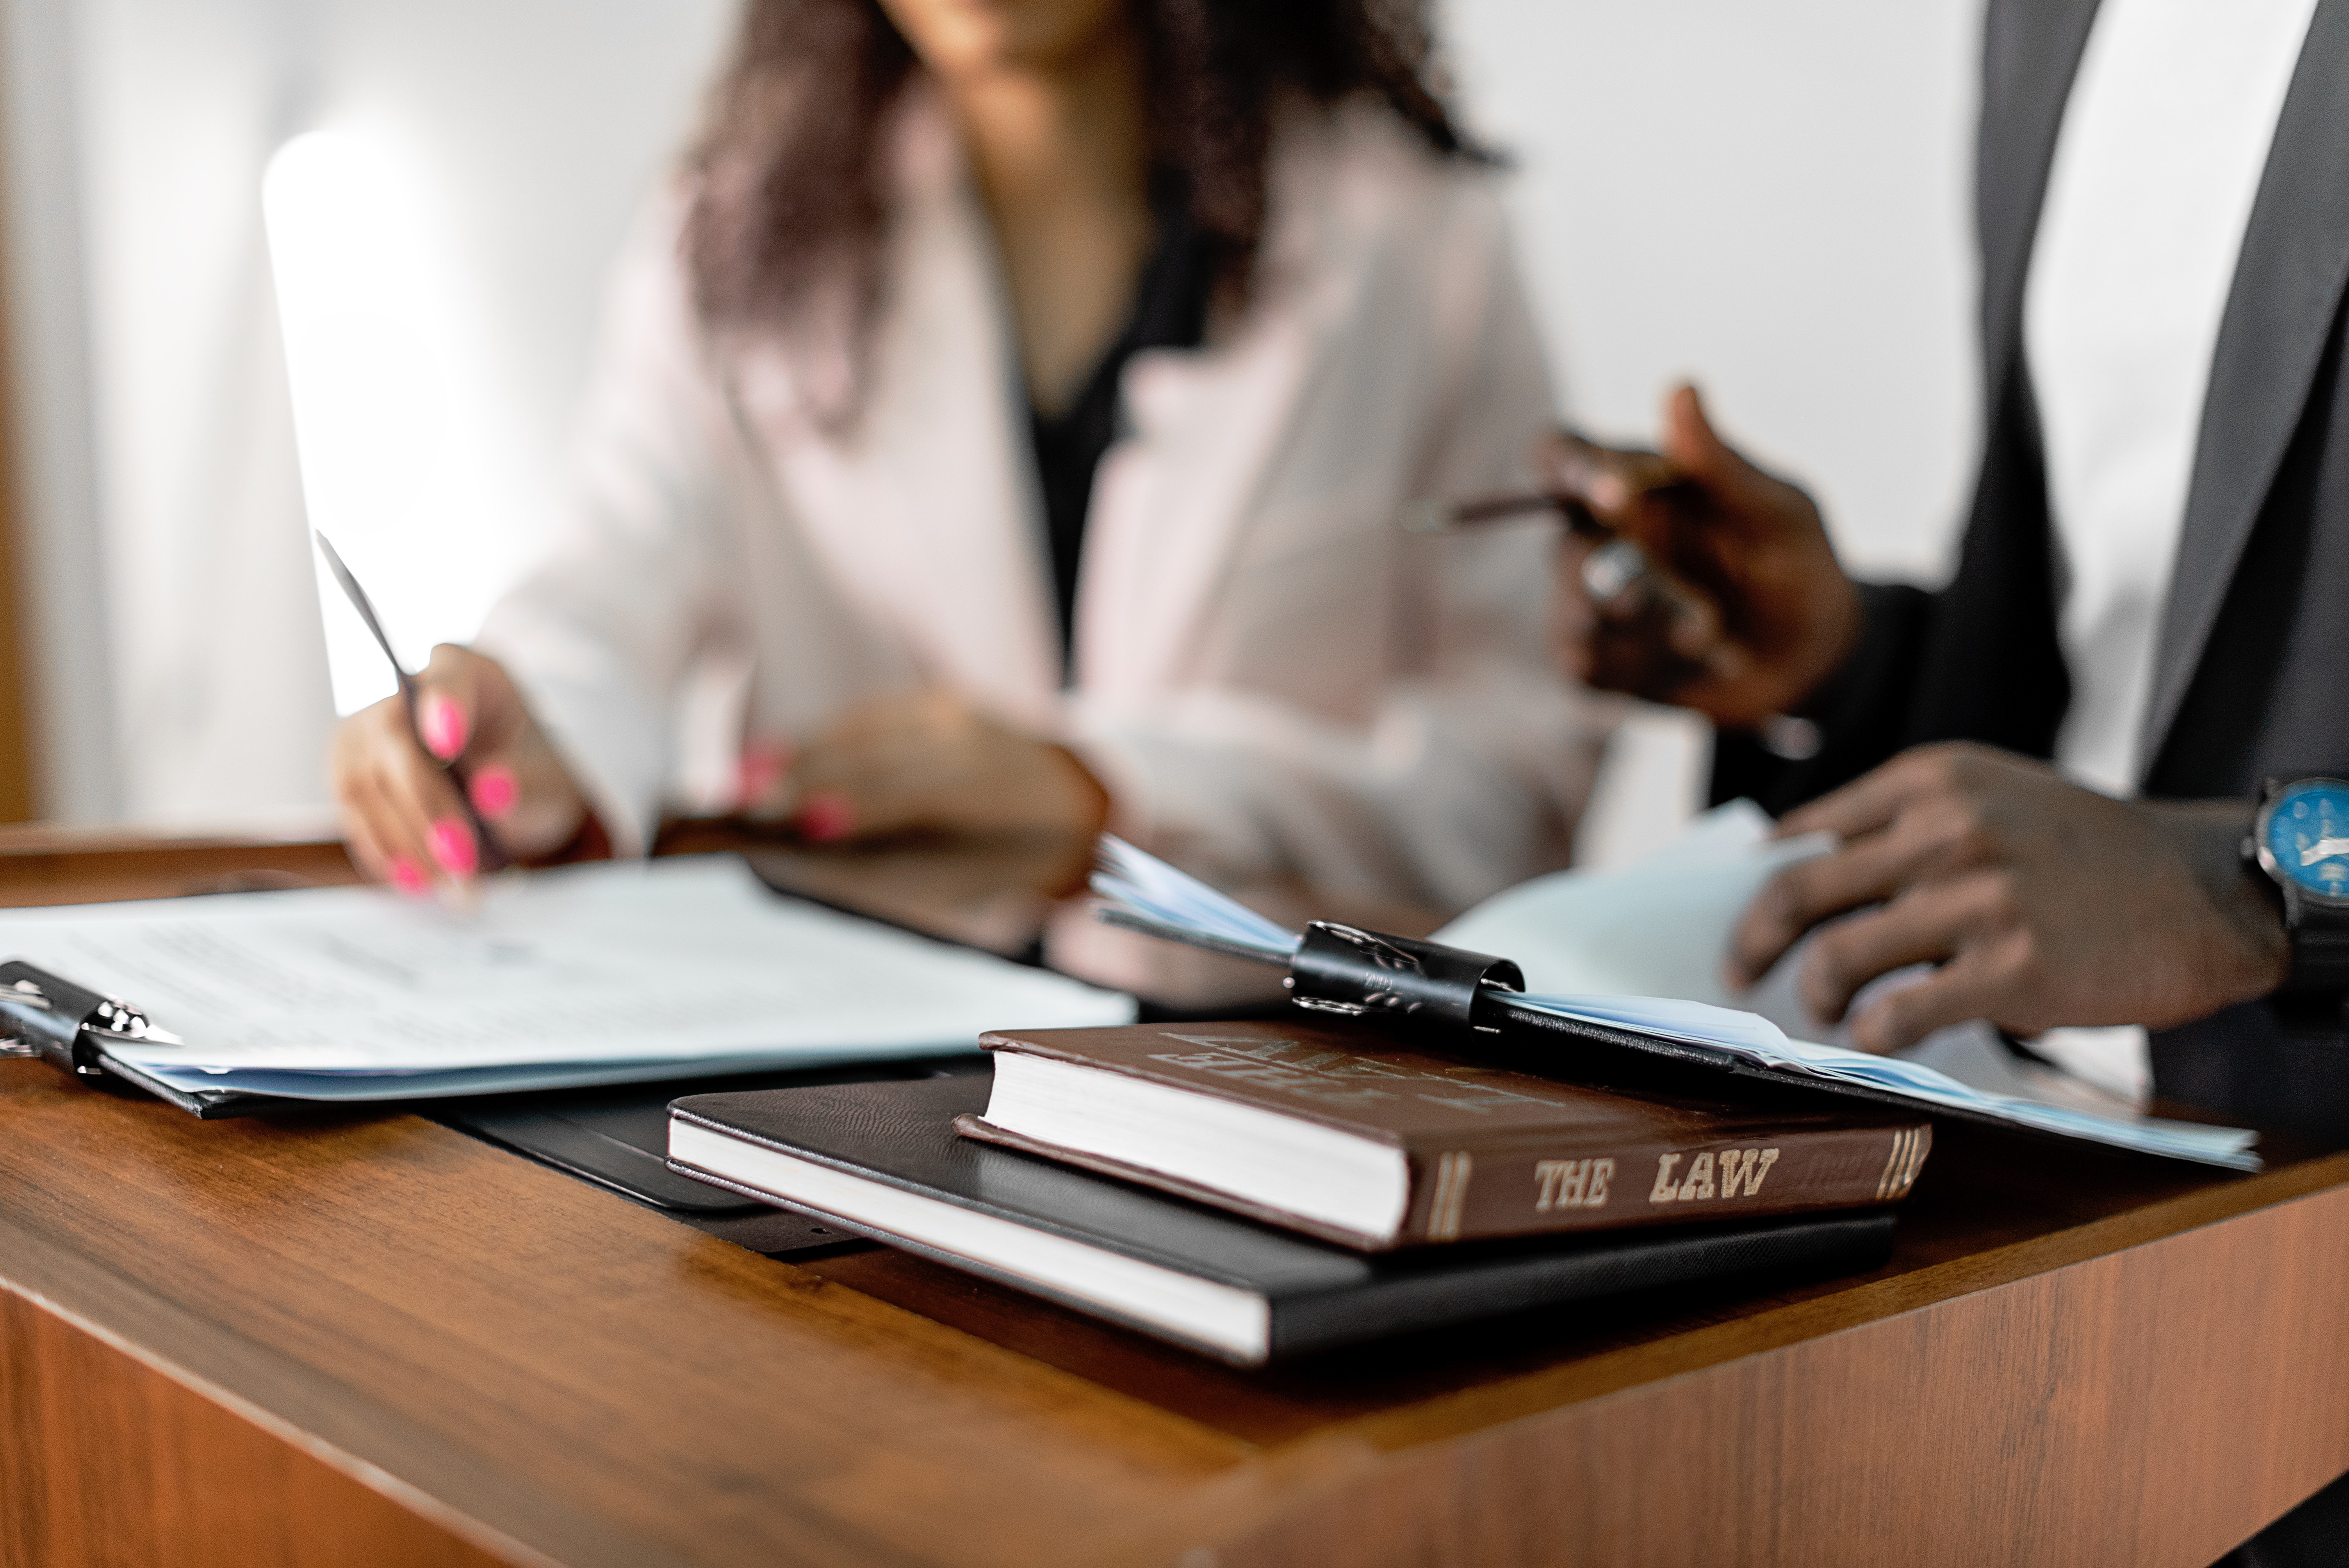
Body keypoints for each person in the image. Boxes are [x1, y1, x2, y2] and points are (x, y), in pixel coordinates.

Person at [332, 0, 1602, 992]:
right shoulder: (730, 240)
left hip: (1272, 1078)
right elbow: (616, 575)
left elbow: (1520, 782)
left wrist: (1114, 800)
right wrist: (534, 733)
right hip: (844, 1067)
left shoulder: (1420, 246)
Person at [1545, 0, 2349, 1146]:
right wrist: (1847, 667)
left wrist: (2263, 895)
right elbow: (2114, 691)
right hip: (2048, 1136)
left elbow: (2179, 855)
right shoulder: (2044, 21)